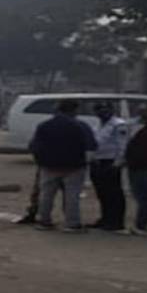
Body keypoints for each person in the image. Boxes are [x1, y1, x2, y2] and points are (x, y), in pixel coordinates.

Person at [29, 99, 97, 232]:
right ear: (74, 110)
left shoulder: (44, 125)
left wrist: (41, 161)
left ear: (57, 109)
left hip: (49, 166)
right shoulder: (81, 126)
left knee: (46, 195)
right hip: (74, 166)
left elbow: (34, 146)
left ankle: (44, 221)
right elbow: (92, 145)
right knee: (72, 196)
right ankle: (72, 223)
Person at [88, 101, 130, 233]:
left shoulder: (119, 125)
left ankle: (116, 222)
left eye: (105, 109)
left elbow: (123, 146)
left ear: (112, 110)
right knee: (102, 193)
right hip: (97, 162)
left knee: (114, 194)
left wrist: (118, 163)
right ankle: (105, 219)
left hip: (110, 162)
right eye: (99, 109)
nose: (102, 112)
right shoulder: (98, 125)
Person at [124, 105, 147, 235]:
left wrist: (131, 161)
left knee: (144, 198)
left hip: (144, 168)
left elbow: (142, 152)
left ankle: (141, 225)